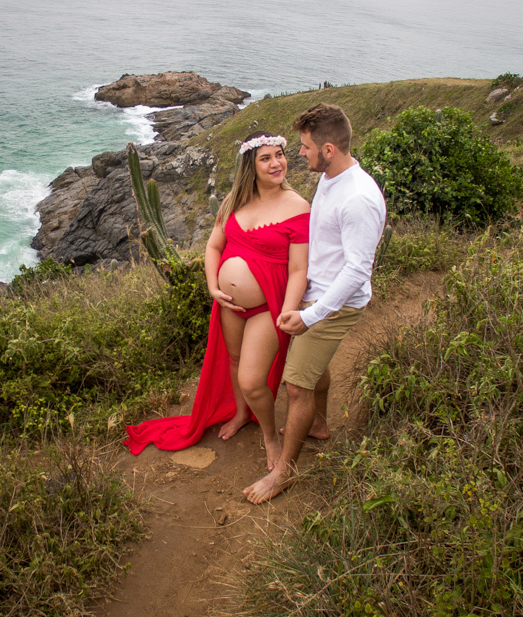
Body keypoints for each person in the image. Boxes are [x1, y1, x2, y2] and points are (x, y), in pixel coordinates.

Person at [124, 131, 310, 464]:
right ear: (250, 165)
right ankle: (241, 414)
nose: (276, 163)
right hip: (228, 304)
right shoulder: (233, 201)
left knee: (251, 381)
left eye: (279, 155)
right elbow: (213, 246)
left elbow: (299, 269)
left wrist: (287, 311)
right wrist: (213, 288)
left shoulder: (297, 206)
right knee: (234, 361)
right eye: (266, 158)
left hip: (268, 306)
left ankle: (270, 438)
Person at [243, 103, 386, 505]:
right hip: (317, 294)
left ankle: (283, 473)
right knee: (311, 367)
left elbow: (357, 271)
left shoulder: (357, 198)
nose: (298, 153)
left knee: (296, 385)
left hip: (333, 303)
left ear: (328, 149)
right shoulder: (331, 177)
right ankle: (319, 424)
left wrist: (312, 314)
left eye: (305, 147)